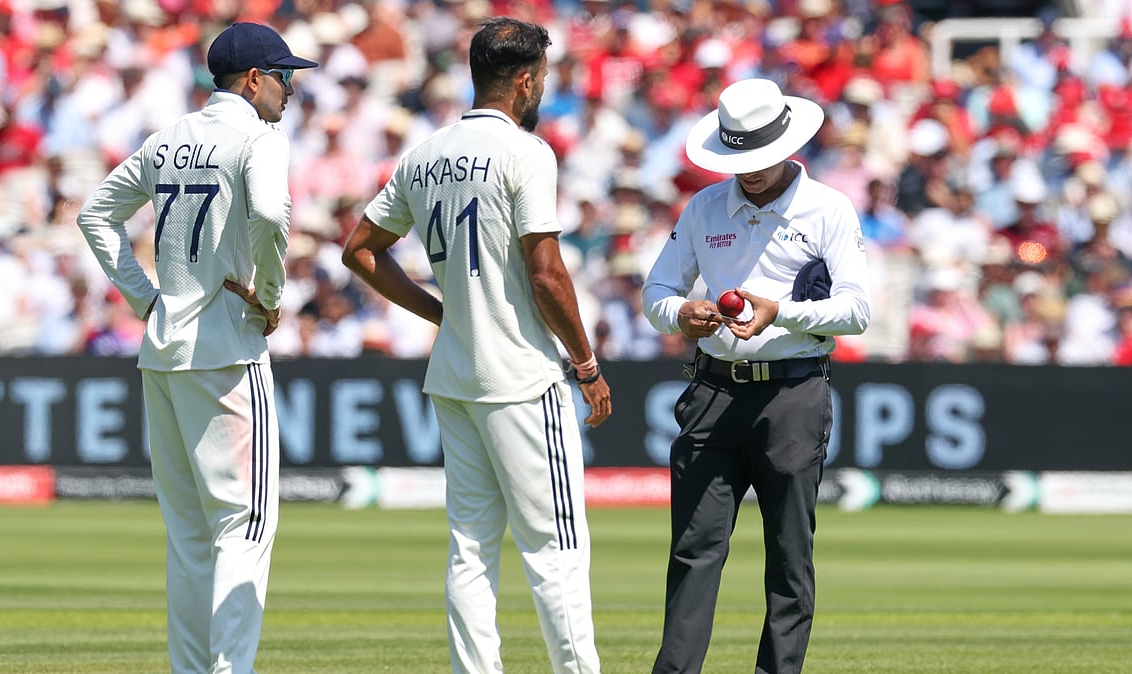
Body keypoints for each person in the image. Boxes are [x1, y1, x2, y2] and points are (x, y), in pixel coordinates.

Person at [341, 17, 611, 674]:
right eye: (541, 77)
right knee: (557, 553)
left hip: (457, 376)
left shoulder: (424, 153)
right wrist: (587, 364)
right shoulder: (527, 151)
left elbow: (359, 252)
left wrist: (442, 313)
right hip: (522, 376)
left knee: (470, 549)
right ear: (523, 79)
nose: (542, 87)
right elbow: (546, 272)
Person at [75, 22, 316, 674]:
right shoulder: (260, 139)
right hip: (230, 349)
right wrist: (270, 293)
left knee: (189, 537)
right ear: (254, 79)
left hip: (163, 348)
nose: (293, 90)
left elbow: (95, 214)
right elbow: (269, 215)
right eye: (285, 77)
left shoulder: (168, 138)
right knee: (245, 525)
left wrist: (144, 299)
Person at [642, 78, 871, 674]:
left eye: (759, 158)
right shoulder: (704, 206)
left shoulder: (828, 208)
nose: (750, 171)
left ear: (786, 145)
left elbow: (857, 310)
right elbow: (658, 290)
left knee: (789, 556)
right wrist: (681, 314)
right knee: (694, 549)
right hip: (713, 388)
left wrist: (782, 311)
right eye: (739, 157)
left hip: (793, 392)